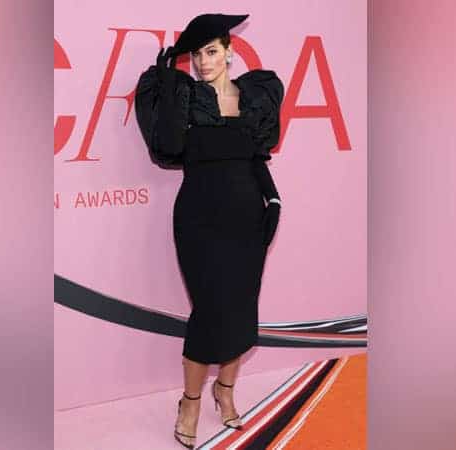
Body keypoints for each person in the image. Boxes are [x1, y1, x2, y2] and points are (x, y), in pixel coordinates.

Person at [134, 13, 283, 449]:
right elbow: (168, 147)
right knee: (209, 311)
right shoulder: (185, 99)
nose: (203, 62)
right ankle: (191, 402)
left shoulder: (255, 96)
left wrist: (273, 200)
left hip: (246, 218)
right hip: (199, 219)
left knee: (240, 307)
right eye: (196, 54)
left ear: (230, 52)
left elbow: (256, 159)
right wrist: (166, 83)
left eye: (212, 51)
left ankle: (226, 391)